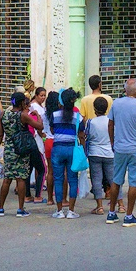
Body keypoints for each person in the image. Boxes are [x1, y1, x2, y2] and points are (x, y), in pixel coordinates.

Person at [106, 79, 136, 227]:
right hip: (135, 148)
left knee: (116, 180)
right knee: (134, 182)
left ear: (125, 90)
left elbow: (110, 124)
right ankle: (129, 215)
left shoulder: (116, 103)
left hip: (119, 148)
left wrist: (112, 141)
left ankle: (111, 213)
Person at [0, 92, 41, 218]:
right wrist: (37, 115)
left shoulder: (3, 114)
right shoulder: (23, 116)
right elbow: (39, 126)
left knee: (7, 178)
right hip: (21, 149)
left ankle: (0, 208)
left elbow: (0, 135)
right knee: (21, 178)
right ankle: (20, 208)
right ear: (22, 103)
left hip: (9, 149)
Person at [49, 88, 83, 219]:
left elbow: (52, 130)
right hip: (72, 149)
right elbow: (81, 135)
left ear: (61, 101)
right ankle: (71, 211)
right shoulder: (78, 117)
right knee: (73, 179)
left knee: (58, 179)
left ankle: (59, 211)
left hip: (57, 149)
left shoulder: (55, 115)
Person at [85, 96, 115, 215]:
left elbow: (87, 136)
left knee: (96, 179)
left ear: (94, 109)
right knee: (113, 179)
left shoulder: (90, 122)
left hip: (94, 152)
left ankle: (100, 206)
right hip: (109, 153)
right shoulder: (110, 121)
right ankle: (120, 204)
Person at [29, 87, 49, 203]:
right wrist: (42, 134)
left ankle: (37, 186)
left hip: (40, 137)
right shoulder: (34, 107)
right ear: (36, 95)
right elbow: (37, 124)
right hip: (37, 137)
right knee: (40, 166)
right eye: (41, 95)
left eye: (44, 95)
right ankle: (38, 192)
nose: (43, 97)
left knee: (35, 165)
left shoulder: (40, 107)